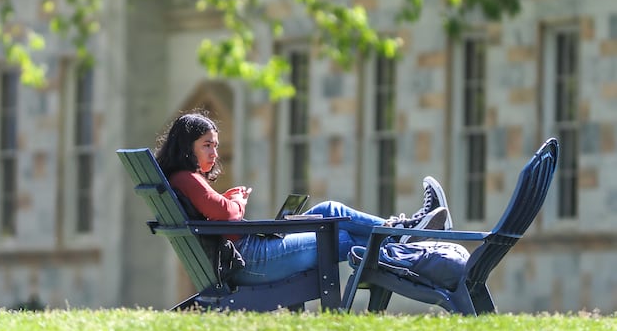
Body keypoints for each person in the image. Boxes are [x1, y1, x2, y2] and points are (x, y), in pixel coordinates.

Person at [154, 112, 451, 286]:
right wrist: (237, 201)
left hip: (252, 250)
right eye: (207, 145)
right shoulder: (186, 178)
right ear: (186, 146)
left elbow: (221, 214)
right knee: (342, 236)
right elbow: (229, 216)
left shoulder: (185, 179)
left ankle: (401, 233)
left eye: (216, 146)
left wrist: (230, 204)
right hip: (252, 260)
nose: (214, 154)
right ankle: (405, 236)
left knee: (330, 210)